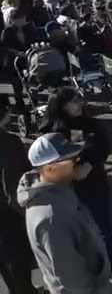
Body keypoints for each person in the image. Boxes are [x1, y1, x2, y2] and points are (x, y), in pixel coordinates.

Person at [37, 89, 112, 284]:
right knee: (78, 230)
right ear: (61, 106)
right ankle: (90, 268)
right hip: (67, 185)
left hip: (94, 182)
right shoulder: (51, 132)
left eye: (78, 100)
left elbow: (102, 145)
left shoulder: (90, 124)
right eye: (72, 102)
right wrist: (69, 169)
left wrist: (90, 163)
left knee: (104, 226)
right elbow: (47, 160)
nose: (79, 104)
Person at [17, 132, 111, 294]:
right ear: (51, 168)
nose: (77, 161)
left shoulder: (58, 187)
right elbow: (70, 276)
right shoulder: (51, 217)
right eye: (71, 159)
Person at [0, 100, 37, 294]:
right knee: (17, 260)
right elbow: (12, 186)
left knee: (6, 265)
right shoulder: (8, 143)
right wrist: (27, 214)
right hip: (8, 215)